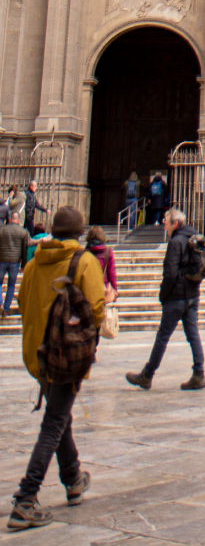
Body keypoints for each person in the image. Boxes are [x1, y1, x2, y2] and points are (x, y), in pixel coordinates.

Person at [8, 207, 103, 531]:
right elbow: (96, 308)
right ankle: (25, 499)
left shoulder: (34, 264)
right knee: (54, 422)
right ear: (78, 233)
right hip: (66, 355)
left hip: (39, 354)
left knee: (60, 414)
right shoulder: (84, 261)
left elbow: (22, 303)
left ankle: (73, 478)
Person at [126, 208, 205, 390]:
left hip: (176, 297)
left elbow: (170, 274)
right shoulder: (195, 238)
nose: (164, 227)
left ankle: (147, 375)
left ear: (175, 224)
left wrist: (164, 295)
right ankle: (199, 374)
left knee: (163, 336)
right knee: (193, 335)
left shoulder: (176, 242)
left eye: (166, 223)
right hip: (192, 295)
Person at [0, 211, 30, 318]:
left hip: (2, 259)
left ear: (9, 219)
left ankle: (0, 302)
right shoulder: (23, 232)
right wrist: (23, 264)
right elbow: (24, 249)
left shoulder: (2, 230)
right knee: (11, 285)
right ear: (18, 220)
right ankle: (6, 309)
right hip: (15, 261)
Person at [85, 227, 118, 303]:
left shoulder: (84, 252)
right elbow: (111, 273)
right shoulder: (107, 252)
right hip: (103, 290)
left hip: (88, 290)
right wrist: (115, 290)